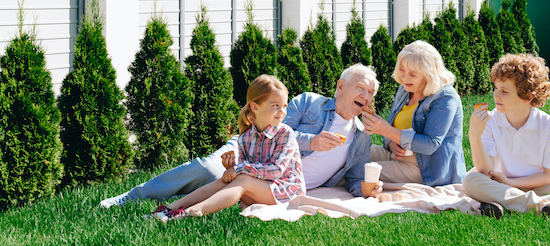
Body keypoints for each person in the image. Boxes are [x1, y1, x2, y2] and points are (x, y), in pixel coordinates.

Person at [100, 64, 379, 208]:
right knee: (208, 168)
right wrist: (310, 141)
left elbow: (355, 177)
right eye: (361, 89)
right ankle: (131, 197)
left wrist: (367, 190)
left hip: (274, 180)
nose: (366, 97)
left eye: (371, 94)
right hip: (253, 150)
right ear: (341, 86)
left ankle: (176, 205)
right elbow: (274, 126)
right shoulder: (309, 102)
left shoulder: (361, 134)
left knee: (216, 184)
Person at [145, 75, 305, 221]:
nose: (282, 111)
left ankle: (191, 212)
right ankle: (169, 209)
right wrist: (231, 169)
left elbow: (276, 171)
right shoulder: (246, 137)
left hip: (286, 192)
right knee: (227, 180)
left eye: (284, 106)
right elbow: (246, 171)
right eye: (275, 105)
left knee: (242, 179)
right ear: (255, 107)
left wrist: (239, 169)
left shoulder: (285, 133)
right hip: (258, 190)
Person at [463, 54, 550, 219]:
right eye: (496, 88)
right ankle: (544, 207)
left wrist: (510, 183)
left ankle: (508, 205)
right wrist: (475, 135)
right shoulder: (490, 121)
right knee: (471, 180)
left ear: (528, 96)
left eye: (505, 91)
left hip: (538, 187)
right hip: (498, 186)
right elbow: (486, 172)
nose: (496, 95)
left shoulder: (549, 125)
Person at [360, 40, 466, 187]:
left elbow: (430, 144)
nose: (404, 77)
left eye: (412, 74)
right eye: (402, 70)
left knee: (359, 170)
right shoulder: (404, 90)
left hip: (425, 169)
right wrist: (392, 144)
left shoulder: (445, 97)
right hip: (396, 157)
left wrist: (386, 130)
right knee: (351, 152)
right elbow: (392, 130)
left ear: (428, 74)